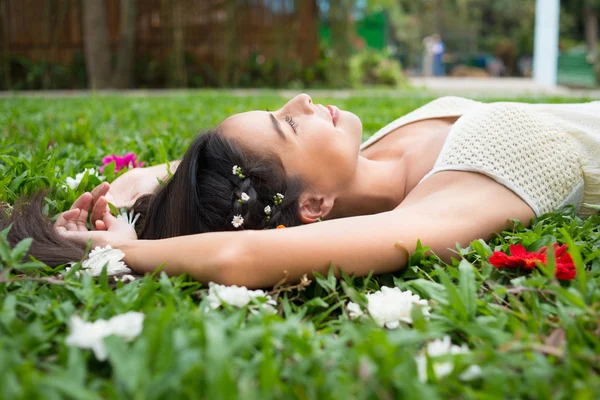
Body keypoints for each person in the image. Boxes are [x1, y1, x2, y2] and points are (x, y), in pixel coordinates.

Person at [4, 95, 600, 288]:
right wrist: (119, 251)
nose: (302, 101)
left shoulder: (362, 163)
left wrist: (139, 192)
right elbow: (241, 253)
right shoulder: (471, 182)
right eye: (289, 124)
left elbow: (165, 175)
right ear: (313, 207)